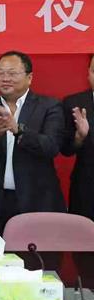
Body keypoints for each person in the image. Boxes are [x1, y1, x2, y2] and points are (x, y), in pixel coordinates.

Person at [0, 50, 65, 234]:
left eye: (12, 73)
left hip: (37, 201)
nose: (5, 78)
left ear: (29, 78)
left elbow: (51, 146)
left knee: (36, 253)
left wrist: (18, 130)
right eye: (1, 73)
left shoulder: (49, 106)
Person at [61, 54, 94, 219]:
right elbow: (65, 149)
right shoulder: (74, 103)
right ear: (88, 74)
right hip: (86, 189)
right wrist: (79, 137)